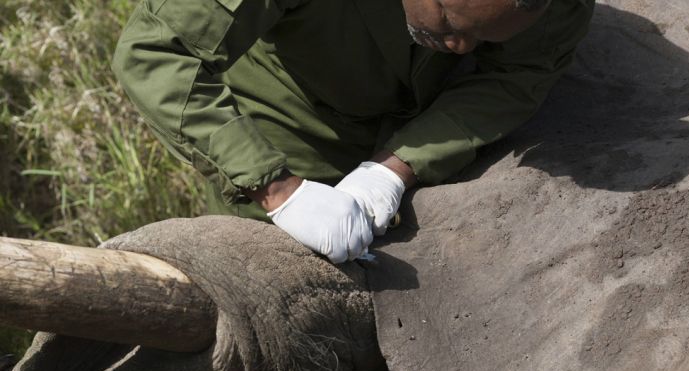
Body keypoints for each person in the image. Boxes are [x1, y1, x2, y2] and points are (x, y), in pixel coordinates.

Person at [112, 0, 594, 263]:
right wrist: (276, 188)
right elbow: (154, 52)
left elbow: (519, 73)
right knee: (265, 281)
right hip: (289, 108)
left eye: (480, 37)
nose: (459, 44)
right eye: (450, 23)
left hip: (432, 95)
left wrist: (393, 169)